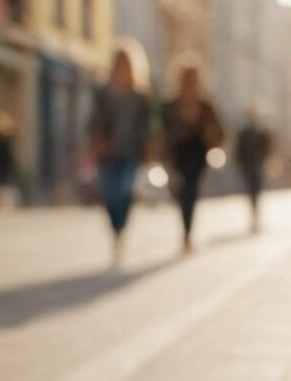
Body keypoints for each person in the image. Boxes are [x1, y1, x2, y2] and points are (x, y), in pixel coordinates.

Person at [87, 41, 152, 265]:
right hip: (107, 152)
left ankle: (121, 229)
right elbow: (93, 120)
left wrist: (148, 148)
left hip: (130, 152)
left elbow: (147, 126)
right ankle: (116, 231)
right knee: (109, 192)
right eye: (119, 63)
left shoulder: (140, 95)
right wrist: (95, 142)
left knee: (123, 191)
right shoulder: (103, 92)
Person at [162, 57, 223, 253]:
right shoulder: (171, 105)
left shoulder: (206, 105)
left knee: (190, 191)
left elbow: (221, 132)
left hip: (197, 155)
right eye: (187, 79)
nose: (190, 83)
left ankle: (187, 233)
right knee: (180, 192)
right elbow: (162, 130)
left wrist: (210, 136)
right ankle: (186, 230)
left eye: (193, 79)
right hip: (177, 154)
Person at [235, 106, 273, 233]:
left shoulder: (261, 131)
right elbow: (238, 151)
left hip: (257, 164)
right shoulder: (243, 132)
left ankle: (255, 215)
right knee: (252, 191)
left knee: (256, 190)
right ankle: (254, 215)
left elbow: (268, 146)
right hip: (248, 165)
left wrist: (266, 158)